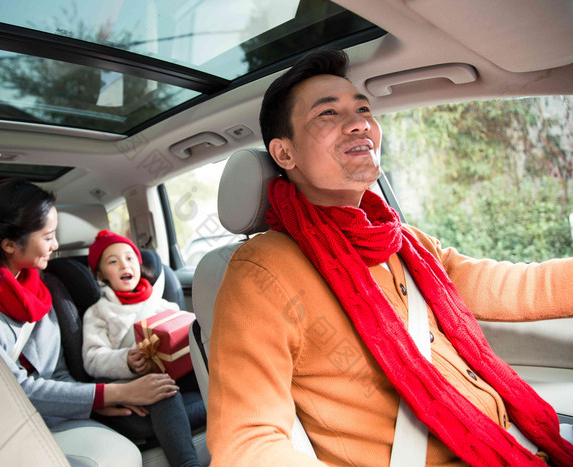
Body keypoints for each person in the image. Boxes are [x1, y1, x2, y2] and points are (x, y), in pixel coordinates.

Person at [206, 48, 573, 467]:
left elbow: (514, 287)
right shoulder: (260, 272)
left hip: (514, 446)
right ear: (285, 154)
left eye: (363, 109)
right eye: (328, 114)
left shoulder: (405, 243)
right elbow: (247, 445)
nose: (360, 122)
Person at [0, 178, 179, 467]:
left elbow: (57, 375)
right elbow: (8, 389)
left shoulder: (40, 289)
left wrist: (96, 404)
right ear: (10, 244)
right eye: (48, 236)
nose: (56, 245)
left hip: (45, 417)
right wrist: (113, 392)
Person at [82, 229, 204, 467]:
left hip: (176, 370)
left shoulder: (159, 302)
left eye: (129, 258)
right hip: (135, 383)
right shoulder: (98, 311)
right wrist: (125, 360)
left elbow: (182, 327)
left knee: (211, 365)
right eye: (113, 262)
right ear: (100, 274)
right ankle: (187, 463)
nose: (123, 265)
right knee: (161, 390)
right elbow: (92, 359)